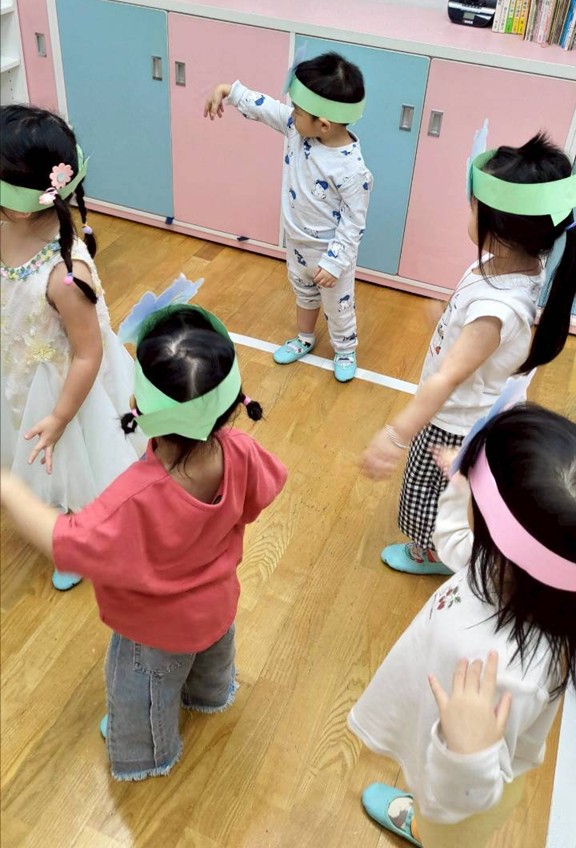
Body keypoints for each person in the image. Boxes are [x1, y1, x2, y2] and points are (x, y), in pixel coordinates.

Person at [0, 298, 287, 782]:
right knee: (212, 656)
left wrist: (9, 487)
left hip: (155, 632)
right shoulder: (242, 450)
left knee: (142, 695)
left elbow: (66, 542)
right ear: (233, 402)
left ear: (138, 406)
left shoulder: (133, 497)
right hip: (217, 603)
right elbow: (261, 497)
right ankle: (210, 697)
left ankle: (151, 754)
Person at [349, 402, 576, 848]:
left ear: (499, 534)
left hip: (463, 805)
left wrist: (468, 759)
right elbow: (455, 542)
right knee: (432, 788)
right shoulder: (508, 571)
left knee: (441, 829)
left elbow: (468, 797)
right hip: (451, 744)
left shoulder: (512, 676)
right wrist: (458, 488)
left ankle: (421, 829)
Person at [362, 132, 576, 574]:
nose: (469, 211)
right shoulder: (514, 265)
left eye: (473, 206)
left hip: (453, 423)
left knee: (429, 498)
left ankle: (436, 553)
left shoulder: (496, 310)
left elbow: (447, 379)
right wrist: (448, 319)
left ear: (499, 229)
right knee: (446, 492)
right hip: (469, 409)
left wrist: (395, 434)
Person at [0, 104, 143, 590]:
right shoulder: (8, 228)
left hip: (66, 387)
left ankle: (73, 535)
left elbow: (87, 354)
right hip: (18, 366)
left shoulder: (64, 275)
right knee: (25, 446)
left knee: (70, 462)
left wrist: (61, 416)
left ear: (22, 203)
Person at [204, 52, 372, 383]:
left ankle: (345, 349)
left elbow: (354, 223)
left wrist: (334, 263)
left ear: (324, 124)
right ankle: (305, 338)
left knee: (338, 306)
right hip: (297, 242)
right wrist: (229, 91)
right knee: (304, 294)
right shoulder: (300, 128)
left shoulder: (352, 170)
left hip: (329, 253)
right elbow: (268, 108)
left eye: (297, 110)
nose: (291, 114)